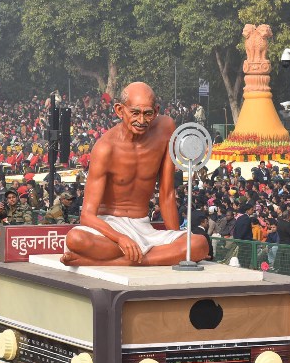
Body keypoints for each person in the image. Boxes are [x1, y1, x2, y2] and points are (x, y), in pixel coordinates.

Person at [62, 82, 209, 266]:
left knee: (199, 244)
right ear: (119, 110)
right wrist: (120, 238)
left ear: (155, 112)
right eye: (135, 113)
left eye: (147, 113)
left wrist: (177, 239)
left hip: (143, 226)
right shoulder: (104, 147)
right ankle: (140, 257)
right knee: (76, 239)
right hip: (110, 229)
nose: (141, 120)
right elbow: (87, 215)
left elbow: (167, 194)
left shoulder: (166, 128)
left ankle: (117, 262)